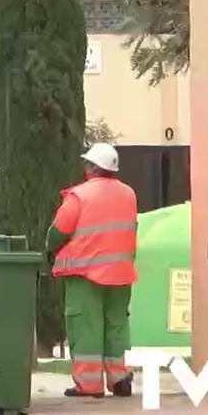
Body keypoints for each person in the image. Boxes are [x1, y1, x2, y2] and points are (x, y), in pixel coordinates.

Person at [46, 142, 138, 399]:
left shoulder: (80, 196)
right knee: (116, 325)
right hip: (121, 273)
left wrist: (49, 249)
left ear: (92, 168)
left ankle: (89, 385)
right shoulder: (129, 194)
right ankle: (119, 377)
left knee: (86, 327)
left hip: (85, 273)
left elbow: (58, 231)